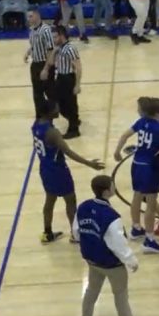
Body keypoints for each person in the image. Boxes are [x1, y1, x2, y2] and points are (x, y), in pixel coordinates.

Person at [73, 175, 147, 316]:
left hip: (91, 260)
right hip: (111, 264)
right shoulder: (111, 216)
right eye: (112, 185)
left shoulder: (83, 207)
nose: (115, 187)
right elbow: (117, 244)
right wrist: (131, 261)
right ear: (107, 191)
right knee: (120, 294)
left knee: (91, 291)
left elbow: (76, 231)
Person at [33, 100, 105, 243]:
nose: (58, 109)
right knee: (70, 200)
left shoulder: (36, 125)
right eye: (56, 107)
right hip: (58, 170)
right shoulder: (52, 132)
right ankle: (75, 234)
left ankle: (47, 233)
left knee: (50, 200)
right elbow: (68, 152)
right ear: (49, 112)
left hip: (45, 168)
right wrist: (89, 163)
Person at [113, 97, 159, 254]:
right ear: (158, 113)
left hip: (137, 164)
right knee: (151, 205)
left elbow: (125, 136)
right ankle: (149, 239)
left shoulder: (141, 122)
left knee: (137, 196)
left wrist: (117, 151)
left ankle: (135, 228)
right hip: (149, 167)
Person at [42, 25, 82, 139]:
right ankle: (74, 120)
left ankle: (74, 129)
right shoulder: (59, 48)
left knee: (70, 104)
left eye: (55, 37)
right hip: (59, 77)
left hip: (68, 78)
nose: (53, 40)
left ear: (62, 36)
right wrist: (54, 52)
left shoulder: (70, 48)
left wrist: (77, 85)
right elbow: (50, 63)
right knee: (60, 103)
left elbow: (78, 67)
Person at [24, 8, 55, 117]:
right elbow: (34, 45)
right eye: (28, 17)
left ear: (37, 15)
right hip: (35, 64)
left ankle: (52, 114)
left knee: (49, 92)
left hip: (44, 63)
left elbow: (51, 50)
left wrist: (46, 69)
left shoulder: (46, 30)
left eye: (31, 16)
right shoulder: (32, 30)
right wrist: (28, 52)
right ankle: (40, 116)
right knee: (37, 93)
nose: (29, 19)